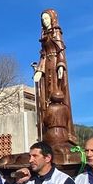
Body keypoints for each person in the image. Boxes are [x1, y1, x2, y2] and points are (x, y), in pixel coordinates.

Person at [33, 9, 76, 144]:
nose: (45, 22)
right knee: (45, 96)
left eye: (47, 19)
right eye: (43, 20)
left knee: (57, 92)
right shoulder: (44, 34)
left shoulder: (56, 32)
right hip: (46, 66)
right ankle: (46, 131)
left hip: (56, 64)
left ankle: (64, 130)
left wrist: (61, 65)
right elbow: (43, 55)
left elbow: (60, 50)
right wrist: (39, 70)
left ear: (52, 19)